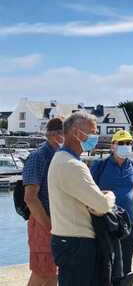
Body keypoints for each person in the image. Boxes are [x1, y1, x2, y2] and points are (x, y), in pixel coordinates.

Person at [48, 112, 116, 286]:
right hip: (76, 243)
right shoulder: (71, 165)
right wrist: (110, 196)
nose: (95, 137)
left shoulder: (62, 159)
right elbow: (101, 205)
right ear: (76, 133)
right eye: (92, 132)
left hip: (68, 240)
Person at [90, 130, 133, 276]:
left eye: (128, 143)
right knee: (106, 265)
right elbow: (89, 193)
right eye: (121, 143)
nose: (125, 146)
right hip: (106, 223)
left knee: (126, 264)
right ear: (112, 146)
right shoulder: (100, 165)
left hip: (129, 223)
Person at [22, 117, 64, 286]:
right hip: (43, 222)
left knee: (51, 273)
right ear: (56, 135)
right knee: (43, 272)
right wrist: (50, 227)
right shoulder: (39, 157)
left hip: (53, 222)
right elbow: (30, 197)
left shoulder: (57, 156)